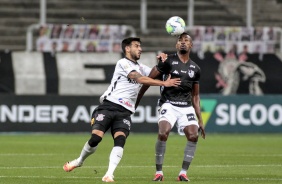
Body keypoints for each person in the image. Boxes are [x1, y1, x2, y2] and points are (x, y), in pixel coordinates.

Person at [63, 37, 181, 182]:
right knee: (96, 138)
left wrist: (164, 61)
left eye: (140, 46)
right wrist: (164, 83)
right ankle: (80, 160)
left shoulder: (142, 67)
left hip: (124, 112)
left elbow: (155, 72)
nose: (140, 49)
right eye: (137, 46)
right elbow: (139, 78)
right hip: (108, 106)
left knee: (120, 140)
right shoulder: (122, 63)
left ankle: (109, 174)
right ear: (127, 48)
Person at [135, 32, 206, 182]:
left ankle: (183, 173)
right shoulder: (167, 61)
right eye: (180, 40)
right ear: (176, 45)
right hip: (169, 103)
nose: (183, 42)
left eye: (186, 40)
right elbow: (148, 80)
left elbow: (195, 96)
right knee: (163, 133)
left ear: (191, 45)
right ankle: (159, 172)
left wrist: (200, 119)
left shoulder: (196, 68)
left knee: (193, 136)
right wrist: (137, 100)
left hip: (186, 107)